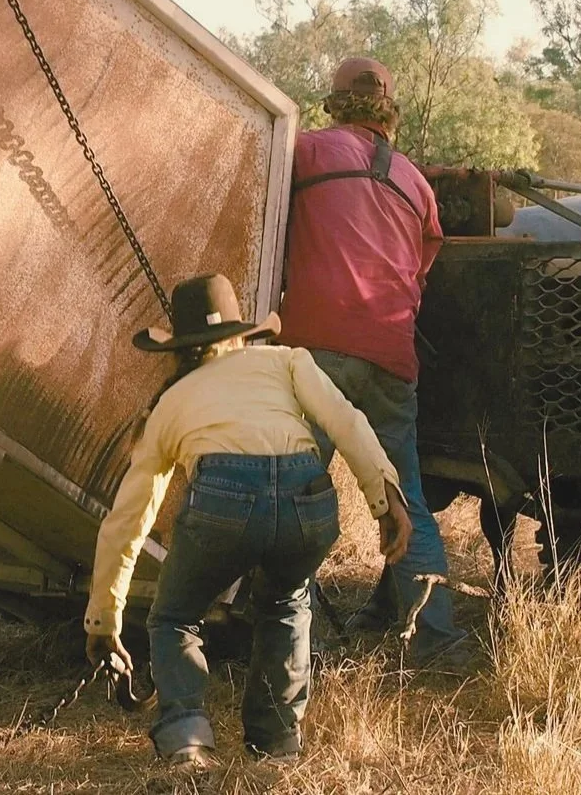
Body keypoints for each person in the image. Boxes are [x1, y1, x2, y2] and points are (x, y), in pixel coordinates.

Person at [85, 274, 408, 768]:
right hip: (307, 496)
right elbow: (346, 420)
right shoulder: (286, 360)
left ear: (182, 348)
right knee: (286, 602)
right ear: (240, 333)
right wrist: (385, 500)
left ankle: (187, 742)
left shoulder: (172, 402)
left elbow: (129, 519)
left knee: (174, 616)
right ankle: (277, 745)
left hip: (223, 500)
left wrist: (104, 621)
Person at [275, 56, 456, 655]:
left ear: (334, 104)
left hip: (317, 349)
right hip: (390, 352)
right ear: (389, 111)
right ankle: (436, 638)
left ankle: (289, 643)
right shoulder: (416, 182)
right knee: (404, 493)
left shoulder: (303, 153)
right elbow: (421, 265)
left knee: (298, 493)